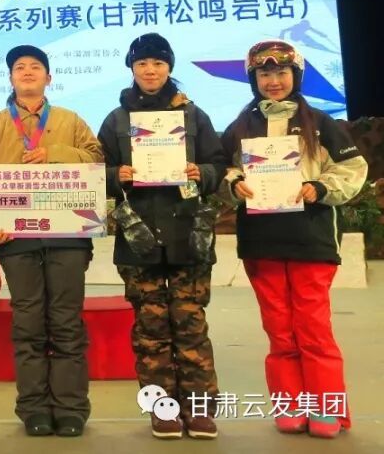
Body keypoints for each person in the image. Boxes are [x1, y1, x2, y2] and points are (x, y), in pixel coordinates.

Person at [220, 40, 367, 438]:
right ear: (254, 79)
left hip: (310, 240)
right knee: (279, 331)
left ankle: (327, 408)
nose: (274, 81)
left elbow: (353, 168)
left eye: (281, 73)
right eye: (264, 74)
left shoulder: (320, 122)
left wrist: (319, 187)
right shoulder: (240, 126)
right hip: (262, 242)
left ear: (295, 76)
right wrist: (235, 184)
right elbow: (222, 170)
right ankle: (290, 406)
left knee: (313, 329)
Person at [96, 33, 226, 440]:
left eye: (157, 63)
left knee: (191, 326)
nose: (150, 71)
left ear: (169, 67)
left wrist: (202, 173)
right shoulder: (116, 120)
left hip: (189, 235)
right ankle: (163, 410)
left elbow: (219, 164)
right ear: (131, 69)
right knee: (149, 330)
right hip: (139, 239)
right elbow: (97, 171)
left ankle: (200, 410)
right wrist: (115, 175)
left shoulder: (194, 115)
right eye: (142, 64)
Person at [0, 45, 103, 437]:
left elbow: (97, 159)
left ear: (49, 78)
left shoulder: (70, 119)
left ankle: (70, 409)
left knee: (66, 322)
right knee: (28, 324)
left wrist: (56, 153)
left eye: (36, 66)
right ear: (11, 78)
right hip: (16, 239)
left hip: (68, 235)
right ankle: (33, 408)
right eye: (20, 67)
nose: (28, 72)